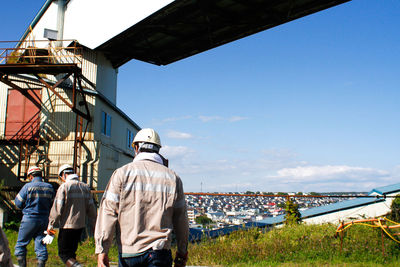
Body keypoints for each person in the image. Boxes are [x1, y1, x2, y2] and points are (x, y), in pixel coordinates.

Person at [95, 128, 189, 267]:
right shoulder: (173, 178)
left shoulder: (121, 174)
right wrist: (182, 251)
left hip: (129, 252)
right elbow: (181, 218)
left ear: (136, 148)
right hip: (160, 251)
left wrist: (102, 249)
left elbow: (107, 212)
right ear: (158, 150)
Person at [45, 164, 97, 267]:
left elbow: (57, 210)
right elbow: (92, 209)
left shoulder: (64, 187)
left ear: (63, 174)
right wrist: (94, 224)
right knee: (72, 253)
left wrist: (50, 227)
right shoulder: (85, 187)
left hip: (66, 226)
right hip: (80, 227)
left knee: (64, 254)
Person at [14, 166, 54, 267]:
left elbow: (18, 203)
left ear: (31, 176)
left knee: (20, 245)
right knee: (41, 245)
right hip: (44, 220)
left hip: (29, 218)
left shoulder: (27, 187)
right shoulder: (49, 187)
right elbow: (53, 204)